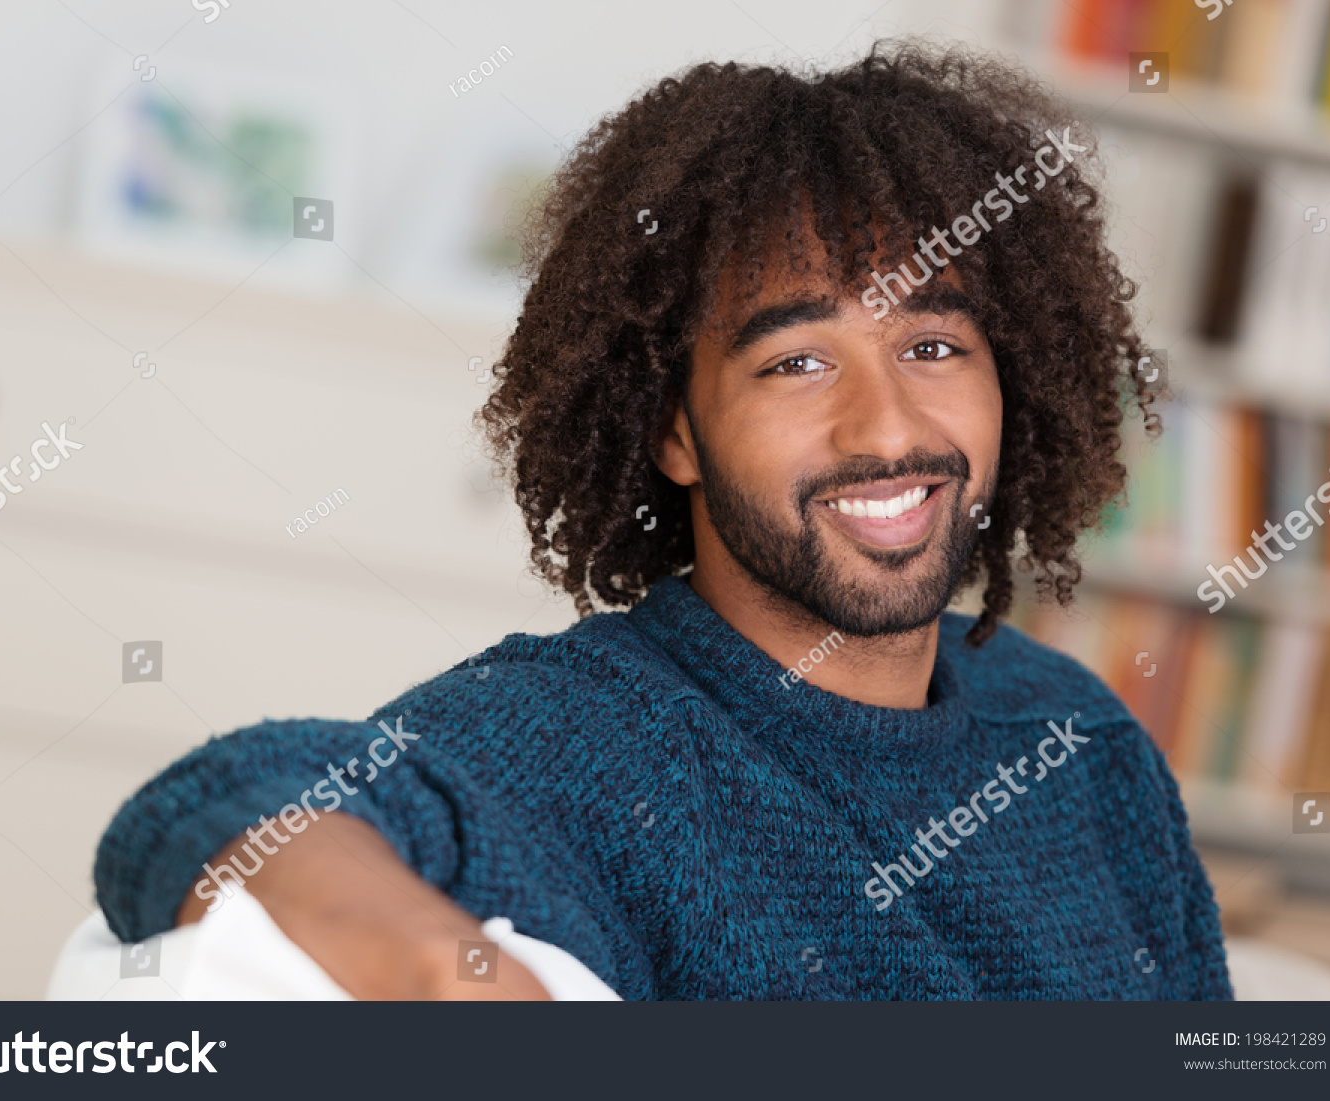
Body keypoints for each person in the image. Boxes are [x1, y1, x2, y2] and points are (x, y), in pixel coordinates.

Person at [93, 39, 1232, 1000]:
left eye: (933, 347)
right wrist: (451, 978)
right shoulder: (587, 743)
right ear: (674, 431)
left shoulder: (1077, 737)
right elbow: (226, 804)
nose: (886, 429)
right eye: (796, 362)